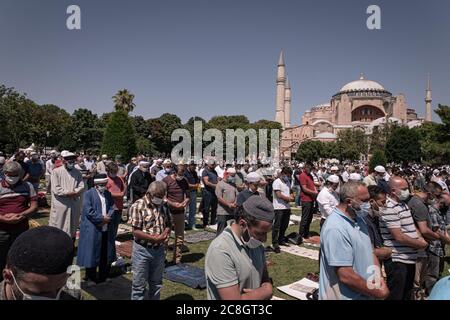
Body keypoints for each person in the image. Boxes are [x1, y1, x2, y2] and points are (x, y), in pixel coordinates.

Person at [319, 182, 389, 300]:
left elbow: (370, 253)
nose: (369, 204)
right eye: (364, 200)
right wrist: (376, 291)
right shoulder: (335, 228)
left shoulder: (359, 220)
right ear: (349, 202)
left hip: (365, 293)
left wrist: (378, 279)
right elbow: (345, 275)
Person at [205, 195, 274, 300]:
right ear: (243, 224)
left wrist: (266, 286)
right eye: (260, 233)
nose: (264, 239)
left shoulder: (255, 243)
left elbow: (264, 276)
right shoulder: (220, 250)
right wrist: (266, 291)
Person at [379, 176, 428, 300]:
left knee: (406, 294)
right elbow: (399, 236)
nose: (408, 191)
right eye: (404, 188)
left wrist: (420, 237)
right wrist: (420, 244)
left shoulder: (403, 205)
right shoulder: (389, 207)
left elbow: (411, 225)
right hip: (398, 260)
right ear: (393, 191)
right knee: (396, 295)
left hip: (409, 258)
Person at [1, 226, 78, 300]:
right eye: (39, 293)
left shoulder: (71, 295)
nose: (53, 298)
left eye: (59, 288)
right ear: (8, 276)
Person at [130, 181, 171, 300]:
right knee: (139, 286)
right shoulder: (138, 205)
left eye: (161, 196)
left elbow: (168, 223)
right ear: (149, 194)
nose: (160, 199)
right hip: (142, 251)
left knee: (156, 283)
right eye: (158, 197)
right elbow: (136, 231)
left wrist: (165, 233)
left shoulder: (163, 205)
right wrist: (154, 238)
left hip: (159, 251)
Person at [77, 174, 118, 285]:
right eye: (100, 185)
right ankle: (91, 277)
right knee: (92, 252)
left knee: (105, 252)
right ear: (96, 185)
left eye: (104, 185)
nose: (103, 187)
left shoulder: (108, 194)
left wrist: (108, 217)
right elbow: (88, 210)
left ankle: (103, 276)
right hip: (93, 228)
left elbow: (112, 207)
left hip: (106, 228)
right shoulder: (88, 194)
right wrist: (101, 218)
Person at [0, 161, 38, 281]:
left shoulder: (28, 186)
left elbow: (34, 206)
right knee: (1, 256)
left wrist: (21, 215)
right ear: (4, 173)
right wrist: (3, 218)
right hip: (2, 229)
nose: (13, 177)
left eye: (16, 174)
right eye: (10, 174)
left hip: (21, 228)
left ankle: (18, 281)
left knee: (19, 256)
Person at [408, 183, 441, 299]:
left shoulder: (416, 202)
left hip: (418, 247)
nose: (437, 198)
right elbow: (424, 230)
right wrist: (437, 237)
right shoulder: (419, 205)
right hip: (419, 249)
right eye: (436, 195)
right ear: (429, 193)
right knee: (416, 282)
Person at [49, 151, 85, 240]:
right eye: (69, 160)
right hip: (61, 204)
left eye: (73, 160)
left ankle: (71, 246)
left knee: (72, 226)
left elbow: (81, 186)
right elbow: (56, 188)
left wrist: (75, 192)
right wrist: (68, 193)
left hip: (73, 203)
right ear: (63, 160)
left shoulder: (77, 172)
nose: (71, 162)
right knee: (59, 225)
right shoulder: (56, 172)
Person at [423, 192, 450, 295]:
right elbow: (436, 230)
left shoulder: (438, 211)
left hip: (439, 246)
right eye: (447, 205)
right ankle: (431, 293)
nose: (447, 208)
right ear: (441, 202)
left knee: (438, 270)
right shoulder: (433, 211)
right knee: (432, 273)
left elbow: (442, 228)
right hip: (434, 246)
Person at [163, 164, 190, 264]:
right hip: (169, 212)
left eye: (183, 173)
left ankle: (177, 259)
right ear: (174, 172)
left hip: (180, 212)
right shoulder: (166, 180)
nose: (182, 175)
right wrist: (172, 203)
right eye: (180, 173)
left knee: (179, 237)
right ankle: (162, 258)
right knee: (166, 236)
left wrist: (184, 203)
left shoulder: (184, 181)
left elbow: (188, 196)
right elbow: (163, 197)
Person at [292, 162, 318, 245]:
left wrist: (315, 189)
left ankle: (306, 234)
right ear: (306, 167)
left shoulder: (310, 175)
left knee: (309, 218)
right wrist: (314, 193)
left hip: (311, 199)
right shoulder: (302, 175)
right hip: (306, 200)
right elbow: (304, 189)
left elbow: (312, 185)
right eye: (309, 168)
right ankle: (301, 235)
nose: (310, 170)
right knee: (305, 218)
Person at [364, 186, 392, 263]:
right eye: (382, 202)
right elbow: (369, 251)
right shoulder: (364, 222)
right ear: (372, 202)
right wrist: (390, 252)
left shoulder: (377, 218)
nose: (385, 205)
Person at [271, 167, 294, 253]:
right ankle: (275, 242)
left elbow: (290, 190)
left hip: (286, 207)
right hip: (278, 207)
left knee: (285, 224)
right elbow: (278, 195)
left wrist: (291, 195)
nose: (288, 177)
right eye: (287, 175)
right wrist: (288, 198)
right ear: (283, 173)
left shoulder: (287, 181)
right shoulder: (276, 182)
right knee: (277, 225)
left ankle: (281, 239)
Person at [215, 167, 238, 235]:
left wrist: (235, 203)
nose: (233, 177)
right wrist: (228, 204)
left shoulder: (233, 184)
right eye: (232, 175)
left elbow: (236, 195)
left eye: (234, 175)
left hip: (232, 212)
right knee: (221, 232)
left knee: (230, 232)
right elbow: (219, 198)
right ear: (226, 174)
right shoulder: (220, 184)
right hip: (223, 212)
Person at [105, 162, 126, 227]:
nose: (115, 174)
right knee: (110, 225)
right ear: (108, 171)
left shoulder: (119, 178)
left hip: (119, 205)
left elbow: (124, 186)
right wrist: (118, 195)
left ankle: (114, 236)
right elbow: (105, 192)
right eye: (113, 172)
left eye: (116, 172)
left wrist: (123, 193)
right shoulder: (106, 180)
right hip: (110, 206)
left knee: (116, 224)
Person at [202, 159, 219, 227]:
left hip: (214, 192)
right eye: (212, 164)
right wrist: (215, 186)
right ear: (208, 164)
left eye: (214, 164)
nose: (213, 166)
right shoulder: (205, 171)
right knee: (206, 208)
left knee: (214, 208)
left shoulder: (214, 171)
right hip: (208, 192)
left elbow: (217, 179)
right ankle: (205, 223)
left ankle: (212, 222)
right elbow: (206, 182)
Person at [184, 161, 200, 230]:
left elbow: (197, 182)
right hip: (186, 192)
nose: (193, 166)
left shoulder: (195, 173)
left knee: (193, 210)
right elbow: (186, 184)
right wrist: (195, 186)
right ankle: (183, 225)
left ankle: (192, 224)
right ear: (189, 165)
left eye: (194, 165)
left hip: (193, 192)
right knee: (184, 209)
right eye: (192, 165)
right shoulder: (185, 173)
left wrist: (195, 186)